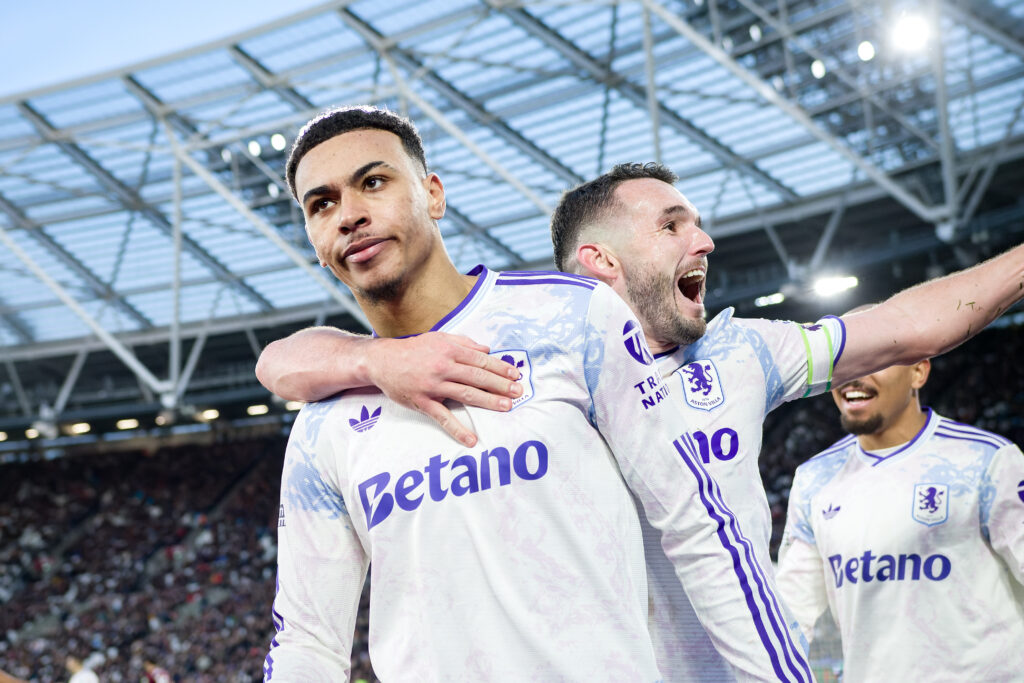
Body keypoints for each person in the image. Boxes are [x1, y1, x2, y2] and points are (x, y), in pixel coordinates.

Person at [257, 159, 1024, 680]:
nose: (704, 241)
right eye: (671, 226)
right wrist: (375, 361)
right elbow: (285, 361)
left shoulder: (742, 354)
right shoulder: (519, 370)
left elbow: (908, 323)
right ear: (600, 262)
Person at [263, 106, 811, 681]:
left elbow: (699, 528)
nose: (349, 215)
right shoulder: (322, 426)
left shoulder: (572, 319)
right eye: (321, 204)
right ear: (314, 239)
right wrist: (371, 360)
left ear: (433, 195)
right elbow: (307, 641)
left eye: (373, 183)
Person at [776, 343, 1024, 681]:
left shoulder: (986, 460)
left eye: (872, 359)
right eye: (842, 364)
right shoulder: (814, 479)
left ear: (918, 372)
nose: (852, 378)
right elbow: (789, 617)